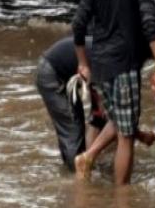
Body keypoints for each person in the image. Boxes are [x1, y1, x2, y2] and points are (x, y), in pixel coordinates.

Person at [72, 0, 155, 185]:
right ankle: (121, 199)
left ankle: (88, 158)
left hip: (99, 67)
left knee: (117, 120)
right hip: (124, 64)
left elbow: (78, 25)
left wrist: (83, 63)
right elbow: (149, 22)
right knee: (125, 135)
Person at [37, 36, 110, 171]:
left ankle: (76, 166)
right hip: (51, 72)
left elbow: (98, 116)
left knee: (79, 124)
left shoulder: (107, 54)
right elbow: (101, 114)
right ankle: (77, 176)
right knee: (72, 130)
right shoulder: (106, 61)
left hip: (64, 71)